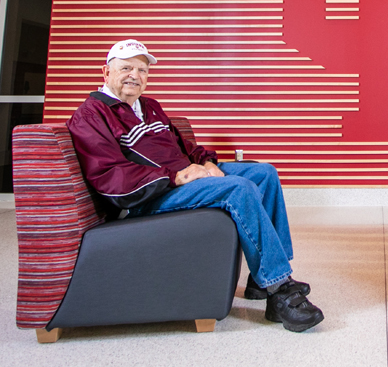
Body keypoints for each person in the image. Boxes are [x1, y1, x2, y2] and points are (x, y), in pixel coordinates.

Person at [67, 38, 324, 333]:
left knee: (263, 173)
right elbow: (110, 177)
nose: (135, 76)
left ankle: (259, 282)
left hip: (181, 181)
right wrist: (174, 177)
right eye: (126, 68)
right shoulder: (90, 115)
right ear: (106, 72)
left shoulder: (148, 106)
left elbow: (182, 146)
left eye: (142, 70)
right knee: (238, 189)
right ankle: (280, 291)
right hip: (148, 197)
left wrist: (207, 163)